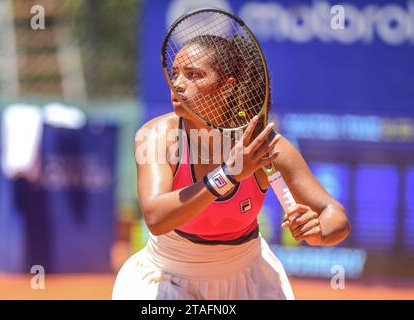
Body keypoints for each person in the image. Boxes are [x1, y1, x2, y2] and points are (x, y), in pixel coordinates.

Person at [112, 35, 350, 300]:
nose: (178, 84)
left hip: (249, 280)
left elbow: (335, 215)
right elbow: (156, 218)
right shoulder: (156, 136)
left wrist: (320, 232)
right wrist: (228, 174)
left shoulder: (263, 145)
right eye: (176, 73)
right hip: (168, 278)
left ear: (227, 86)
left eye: (194, 75)